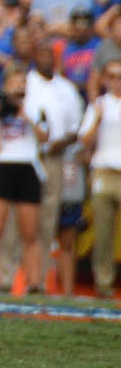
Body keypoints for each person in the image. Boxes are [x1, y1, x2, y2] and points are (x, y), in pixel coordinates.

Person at [0, 63, 48, 293]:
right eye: (14, 83)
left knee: (30, 231)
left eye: (22, 83)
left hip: (27, 166)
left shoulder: (35, 106)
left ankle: (35, 282)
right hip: (2, 166)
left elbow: (45, 138)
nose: (19, 88)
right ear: (5, 86)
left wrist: (26, 116)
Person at [23, 41, 84, 293]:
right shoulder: (25, 84)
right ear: (34, 56)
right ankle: (20, 276)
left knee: (49, 218)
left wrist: (61, 142)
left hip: (55, 157)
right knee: (24, 218)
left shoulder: (67, 89)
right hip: (26, 155)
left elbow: (76, 128)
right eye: (41, 53)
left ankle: (42, 278)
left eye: (50, 54)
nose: (46, 58)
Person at [78, 57, 121, 299]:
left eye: (120, 77)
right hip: (103, 171)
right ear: (104, 80)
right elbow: (84, 141)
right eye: (113, 77)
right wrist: (98, 118)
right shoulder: (98, 106)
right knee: (102, 233)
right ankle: (103, 283)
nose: (117, 82)